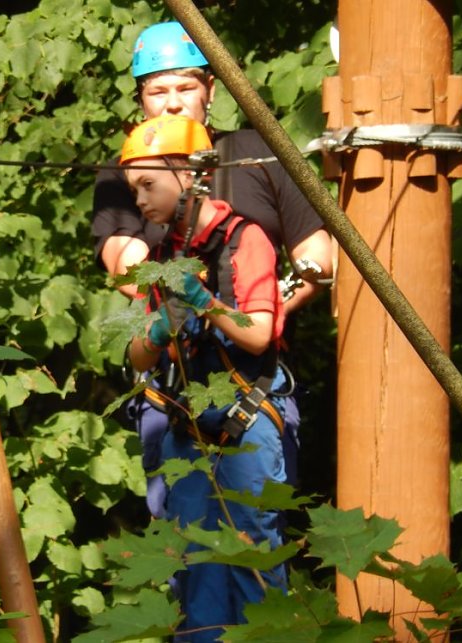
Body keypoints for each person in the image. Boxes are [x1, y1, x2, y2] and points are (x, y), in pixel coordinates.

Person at [92, 21, 332, 517]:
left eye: (186, 86)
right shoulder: (129, 169)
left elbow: (319, 256)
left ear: (211, 90)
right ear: (141, 99)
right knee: (183, 542)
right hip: (173, 375)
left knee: (255, 528)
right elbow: (123, 265)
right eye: (158, 91)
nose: (174, 102)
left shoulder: (256, 153)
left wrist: (251, 315)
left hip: (255, 376)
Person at [120, 113, 288, 641]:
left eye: (149, 184)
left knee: (254, 559)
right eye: (133, 189)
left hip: (244, 420)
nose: (140, 201)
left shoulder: (246, 239)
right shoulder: (163, 258)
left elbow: (259, 334)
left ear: (188, 174)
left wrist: (203, 302)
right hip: (188, 429)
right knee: (193, 564)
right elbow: (138, 356)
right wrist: (158, 328)